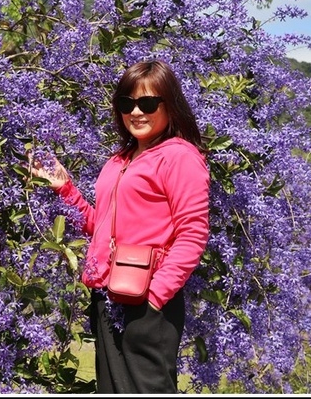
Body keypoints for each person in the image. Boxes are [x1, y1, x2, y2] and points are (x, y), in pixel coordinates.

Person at [29, 59, 210, 394]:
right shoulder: (119, 161)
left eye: (148, 103)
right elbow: (100, 226)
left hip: (147, 299)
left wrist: (156, 298)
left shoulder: (179, 156)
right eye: (127, 103)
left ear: (169, 104)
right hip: (108, 296)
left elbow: (193, 233)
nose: (136, 112)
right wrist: (64, 188)